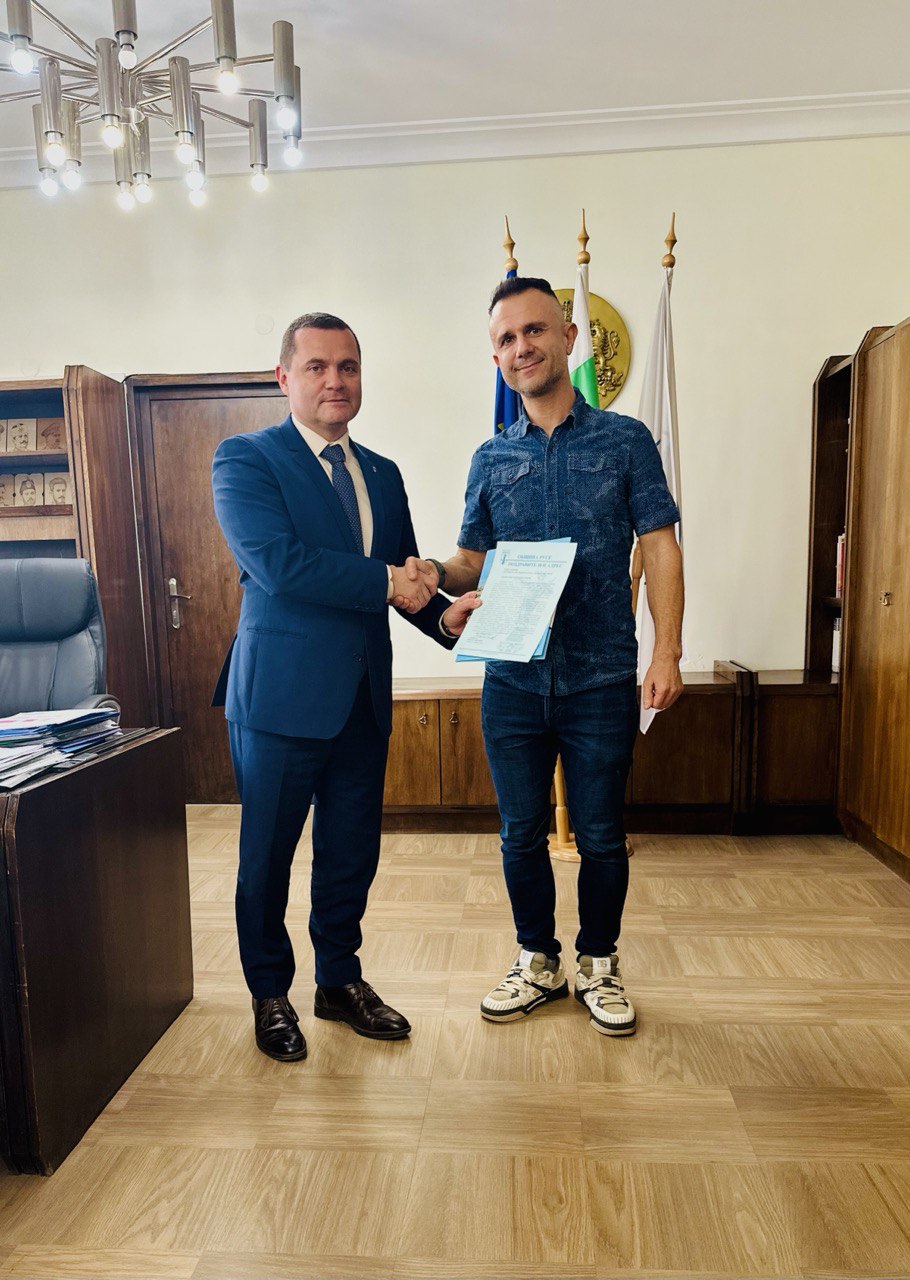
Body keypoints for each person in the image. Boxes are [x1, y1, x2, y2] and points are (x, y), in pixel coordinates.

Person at [404, 277, 684, 1037]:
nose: (521, 347)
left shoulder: (626, 441)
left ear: (567, 336)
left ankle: (598, 963)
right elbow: (471, 559)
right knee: (520, 833)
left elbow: (660, 545)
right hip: (513, 679)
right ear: (495, 357)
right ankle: (538, 960)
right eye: (506, 339)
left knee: (601, 835)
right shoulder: (491, 457)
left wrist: (668, 650)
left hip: (601, 676)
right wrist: (435, 573)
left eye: (533, 330)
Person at [212, 312, 480, 1062]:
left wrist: (446, 617)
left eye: (349, 366)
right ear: (284, 378)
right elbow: (279, 565)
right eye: (318, 366)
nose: (336, 380)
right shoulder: (246, 459)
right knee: (266, 859)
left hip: (362, 702)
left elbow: (406, 580)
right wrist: (391, 581)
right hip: (278, 703)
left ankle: (338, 981)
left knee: (350, 853)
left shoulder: (382, 474)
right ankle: (270, 993)